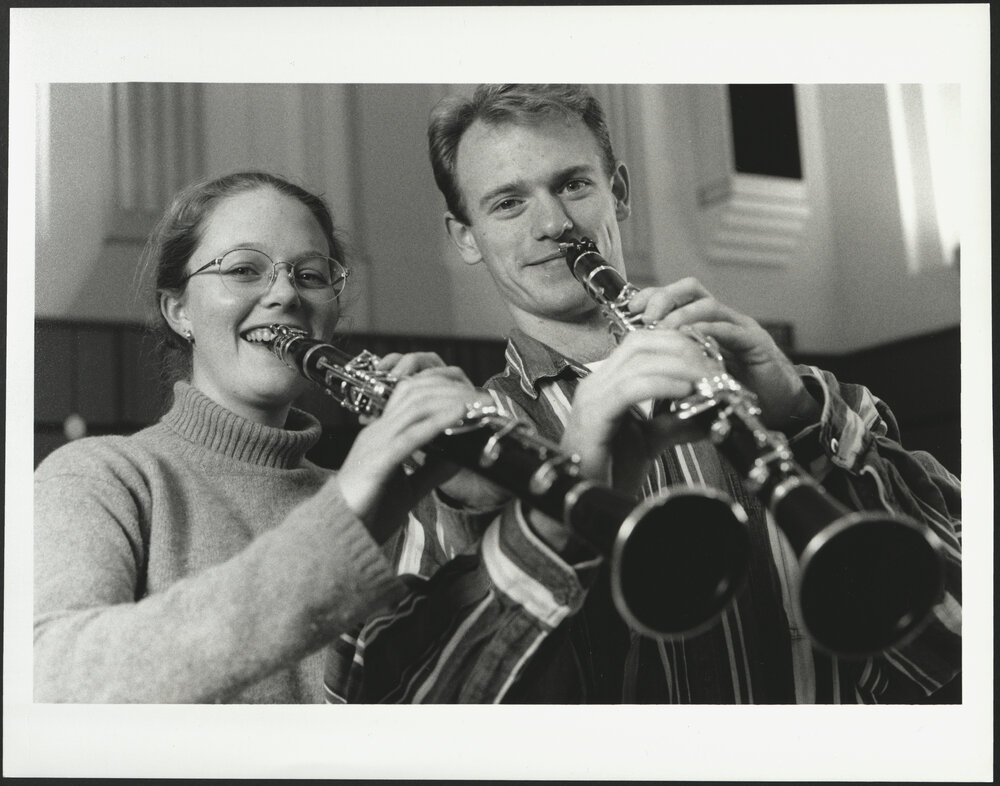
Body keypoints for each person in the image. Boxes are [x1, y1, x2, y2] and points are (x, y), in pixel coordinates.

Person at [324, 84, 962, 704]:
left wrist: (799, 417)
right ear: (465, 235)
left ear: (618, 193)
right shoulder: (452, 450)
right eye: (508, 203)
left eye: (573, 184)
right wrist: (555, 507)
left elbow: (960, 636)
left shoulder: (811, 401)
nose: (553, 223)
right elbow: (410, 705)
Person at [32, 171, 493, 703]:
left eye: (310, 275)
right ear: (178, 310)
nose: (284, 294)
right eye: (244, 270)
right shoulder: (101, 475)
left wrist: (471, 507)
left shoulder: (383, 497)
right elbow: (51, 677)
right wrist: (338, 521)